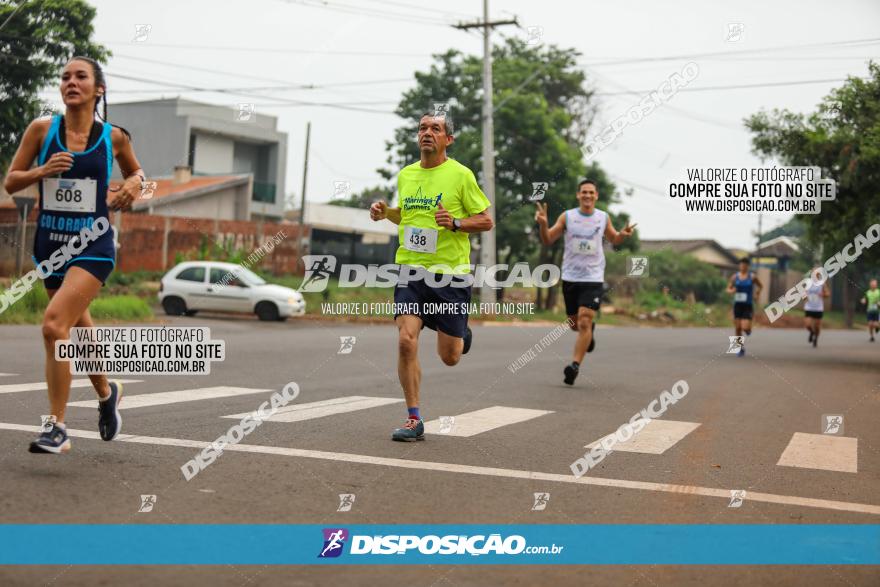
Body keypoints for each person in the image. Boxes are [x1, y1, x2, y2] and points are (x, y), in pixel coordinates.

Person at [3, 57, 147, 454]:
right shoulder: (40, 130)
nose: (71, 82)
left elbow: (137, 174)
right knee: (77, 333)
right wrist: (42, 171)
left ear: (98, 89)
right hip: (50, 247)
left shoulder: (113, 137)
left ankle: (57, 427)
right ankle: (106, 393)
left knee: (53, 326)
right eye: (65, 76)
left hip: (94, 246)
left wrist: (134, 186)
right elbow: (11, 181)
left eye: (80, 76)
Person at [370, 112, 493, 441]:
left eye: (435, 129)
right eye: (423, 128)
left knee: (449, 357)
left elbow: (485, 220)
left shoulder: (461, 175)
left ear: (447, 139)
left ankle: (460, 333)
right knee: (406, 341)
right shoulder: (406, 176)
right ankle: (414, 418)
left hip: (450, 276)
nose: (427, 133)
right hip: (410, 270)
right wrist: (386, 214)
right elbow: (408, 218)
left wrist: (454, 223)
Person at [534, 179, 636, 385]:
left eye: (591, 192)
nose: (587, 196)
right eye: (584, 192)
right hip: (571, 277)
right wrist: (544, 225)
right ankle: (588, 334)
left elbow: (614, 239)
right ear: (578, 195)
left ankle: (574, 366)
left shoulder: (603, 217)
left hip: (593, 277)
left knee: (584, 321)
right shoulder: (568, 217)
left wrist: (622, 235)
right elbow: (547, 240)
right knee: (574, 324)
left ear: (596, 196)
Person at [725, 258, 763, 357]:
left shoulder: (752, 277)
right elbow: (728, 288)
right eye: (741, 265)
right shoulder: (735, 277)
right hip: (737, 305)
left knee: (745, 327)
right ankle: (739, 348)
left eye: (744, 265)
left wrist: (757, 294)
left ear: (747, 266)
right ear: (739, 266)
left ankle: (748, 330)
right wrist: (731, 291)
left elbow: (760, 286)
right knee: (737, 327)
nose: (742, 267)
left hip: (747, 305)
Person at [803, 268, 830, 348]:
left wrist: (824, 295)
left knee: (817, 327)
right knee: (808, 325)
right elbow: (804, 293)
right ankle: (811, 332)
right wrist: (804, 297)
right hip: (809, 307)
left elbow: (828, 293)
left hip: (818, 308)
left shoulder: (822, 284)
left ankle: (816, 338)